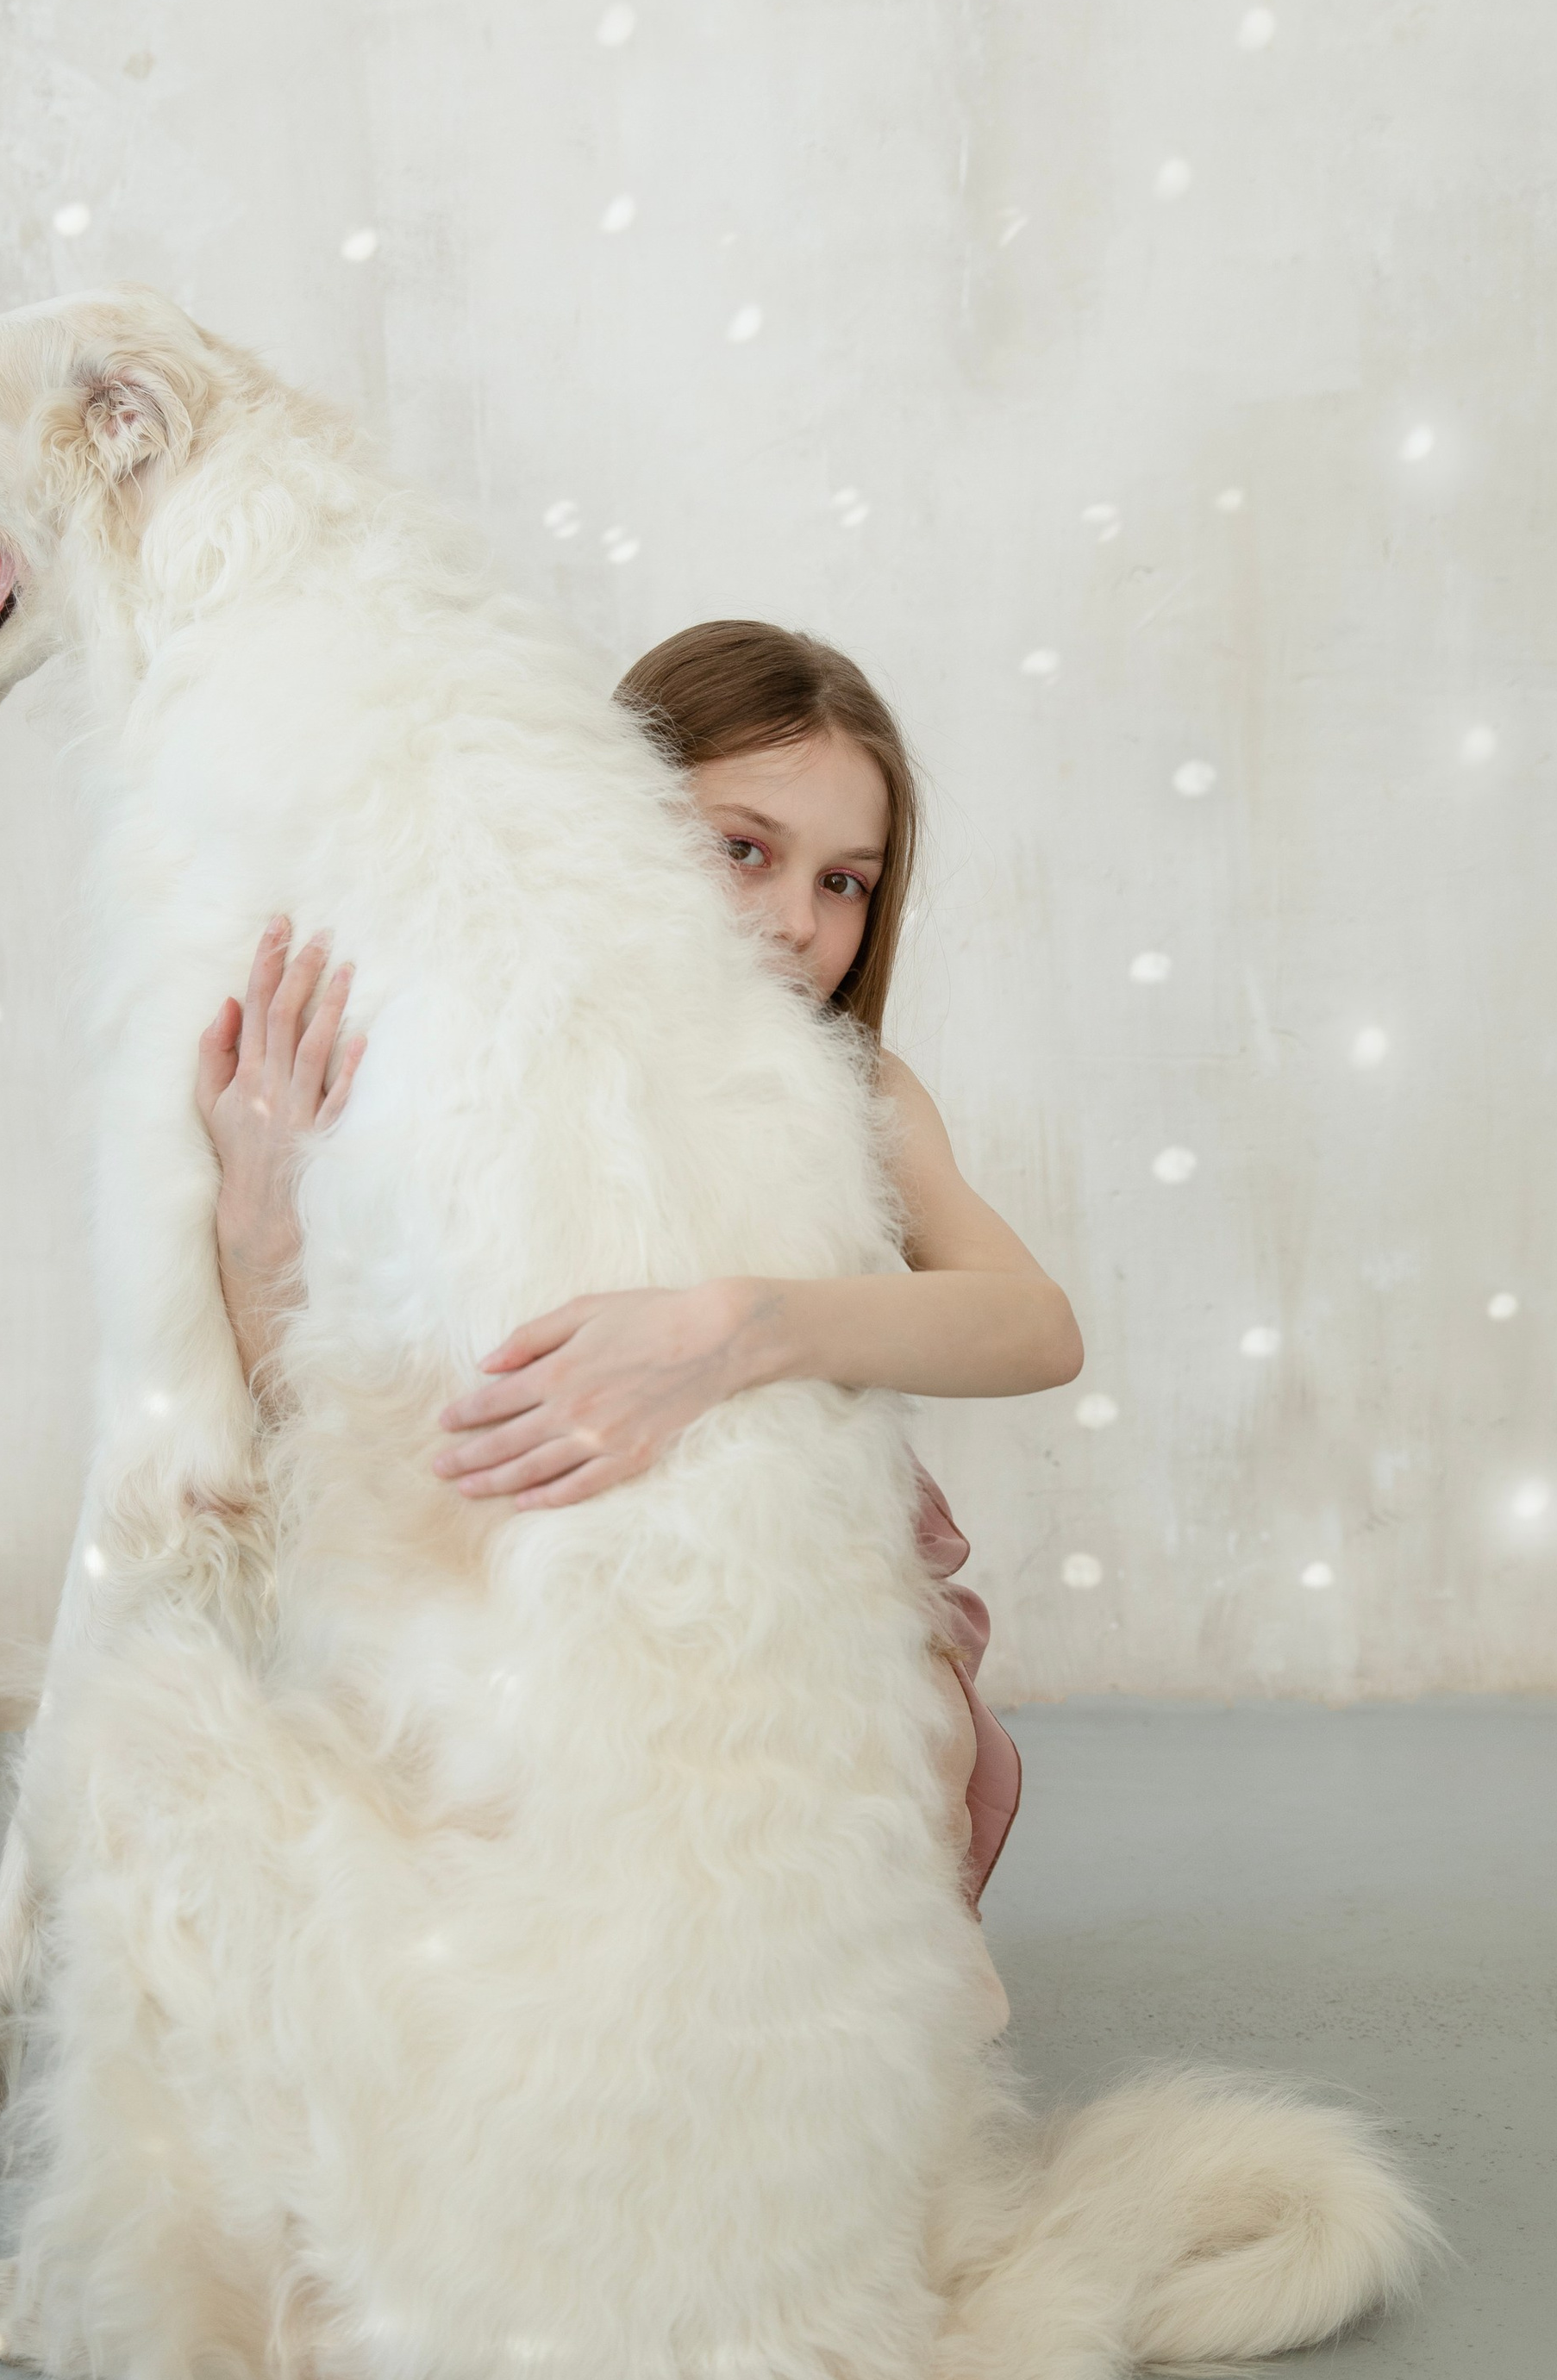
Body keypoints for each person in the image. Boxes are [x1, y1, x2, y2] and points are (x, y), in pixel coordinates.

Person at [194, 621, 1083, 2012]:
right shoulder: (472, 1073)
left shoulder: (854, 1091)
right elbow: (323, 1437)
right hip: (524, 1600)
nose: (798, 920)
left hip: (780, 1613)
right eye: (745, 847)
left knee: (851, 1814)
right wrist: (259, 1208)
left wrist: (742, 1329)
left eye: (845, 881)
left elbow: (1036, 1325)